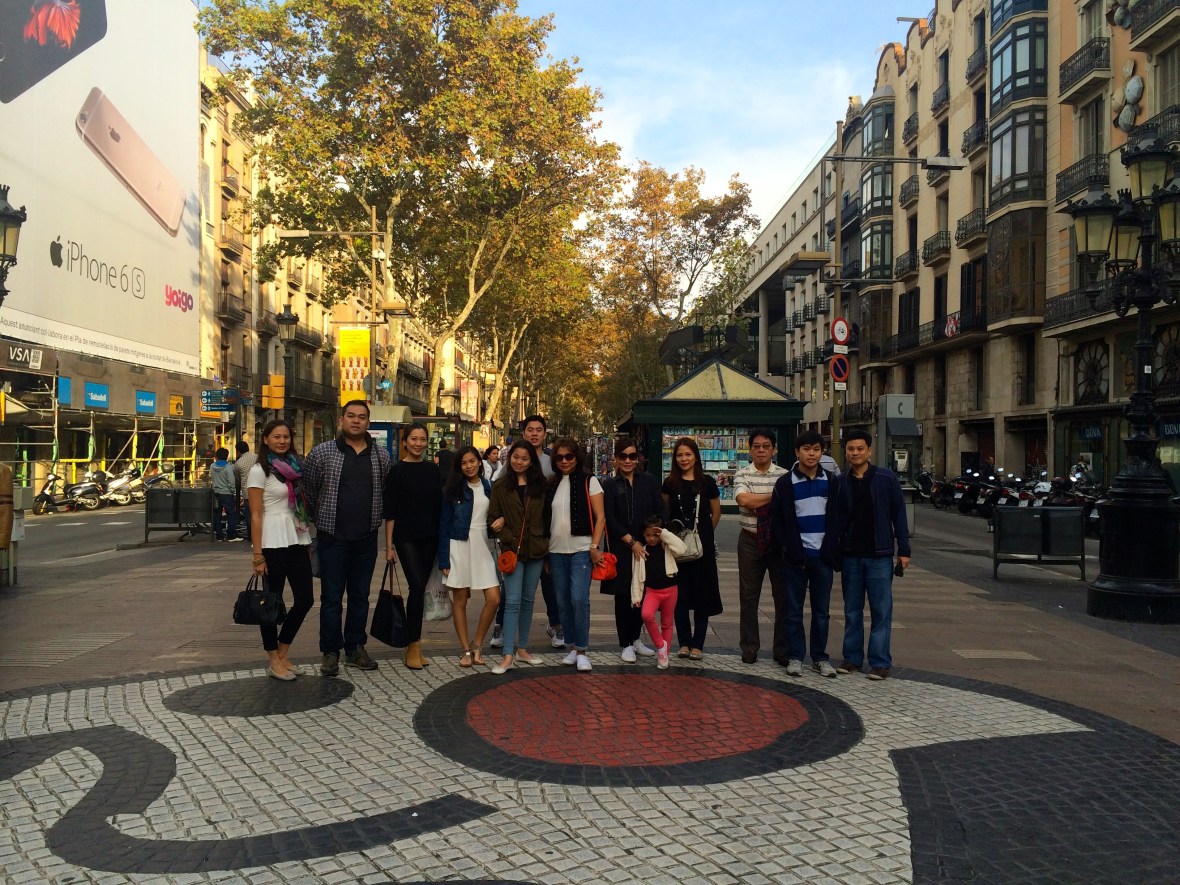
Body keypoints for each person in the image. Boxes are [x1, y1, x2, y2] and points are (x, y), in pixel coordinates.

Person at [302, 400, 392, 677]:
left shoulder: (381, 456)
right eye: (351, 416)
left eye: (361, 417)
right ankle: (330, 651)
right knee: (331, 598)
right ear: (341, 420)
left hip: (366, 539)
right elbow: (309, 491)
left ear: (368, 422)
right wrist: (321, 519)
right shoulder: (322, 453)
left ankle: (355, 648)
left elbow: (385, 491)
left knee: (360, 597)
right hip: (333, 538)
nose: (356, 420)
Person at [830, 429, 911, 681]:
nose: (855, 453)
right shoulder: (840, 482)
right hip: (851, 555)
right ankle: (852, 658)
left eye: (860, 449)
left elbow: (899, 514)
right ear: (846, 452)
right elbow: (836, 519)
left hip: (880, 556)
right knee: (852, 610)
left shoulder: (886, 479)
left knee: (881, 611)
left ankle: (879, 662)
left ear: (869, 451)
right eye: (851, 449)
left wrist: (904, 550)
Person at [770, 429, 840, 678]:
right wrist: (788, 548)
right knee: (793, 610)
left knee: (822, 611)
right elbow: (777, 520)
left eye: (816, 449)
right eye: (807, 449)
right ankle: (796, 657)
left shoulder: (831, 481)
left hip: (823, 557)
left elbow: (838, 517)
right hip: (796, 558)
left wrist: (831, 549)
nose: (812, 454)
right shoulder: (785, 483)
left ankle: (820, 658)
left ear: (822, 452)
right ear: (797, 452)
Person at [247, 419, 313, 681]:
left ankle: (283, 652)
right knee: (271, 603)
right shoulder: (259, 471)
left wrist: (306, 540)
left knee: (305, 599)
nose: (282, 441)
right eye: (276, 436)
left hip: (296, 537)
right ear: (265, 439)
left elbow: (298, 506)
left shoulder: (295, 467)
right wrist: (258, 554)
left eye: (286, 436)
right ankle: (273, 659)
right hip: (272, 540)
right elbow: (255, 514)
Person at [544, 436, 605, 672]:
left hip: (581, 549)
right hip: (555, 551)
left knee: (579, 599)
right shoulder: (551, 484)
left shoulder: (590, 481)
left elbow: (600, 517)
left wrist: (594, 546)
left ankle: (581, 650)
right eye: (559, 457)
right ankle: (570, 646)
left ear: (576, 457)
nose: (564, 461)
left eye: (569, 456)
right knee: (562, 601)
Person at [383, 422, 442, 670]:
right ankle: (413, 644)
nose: (418, 444)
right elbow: (390, 512)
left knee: (419, 589)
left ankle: (414, 644)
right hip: (405, 537)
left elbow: (440, 506)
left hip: (430, 536)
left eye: (422, 439)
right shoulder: (396, 471)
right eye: (414, 439)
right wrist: (389, 546)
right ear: (405, 442)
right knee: (416, 585)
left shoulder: (433, 470)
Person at [601, 436, 664, 663]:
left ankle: (636, 638)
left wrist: (653, 534)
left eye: (632, 456)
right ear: (616, 459)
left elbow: (660, 509)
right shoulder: (610, 485)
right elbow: (609, 518)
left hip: (646, 547)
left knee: (643, 593)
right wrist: (630, 541)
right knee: (623, 595)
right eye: (623, 456)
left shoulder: (649, 481)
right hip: (622, 547)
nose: (627, 460)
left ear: (638, 458)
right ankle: (625, 643)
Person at [487, 440, 548, 674]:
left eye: (524, 458)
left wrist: (545, 542)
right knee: (512, 601)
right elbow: (492, 518)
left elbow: (547, 517)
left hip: (536, 549)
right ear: (509, 457)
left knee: (528, 600)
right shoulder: (501, 486)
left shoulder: (540, 485)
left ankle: (522, 649)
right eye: (515, 457)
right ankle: (507, 655)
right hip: (512, 551)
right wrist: (508, 535)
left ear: (531, 461)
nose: (519, 462)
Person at [439, 446, 501, 667]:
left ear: (479, 462)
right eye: (464, 463)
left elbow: (497, 513)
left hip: (483, 547)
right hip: (459, 546)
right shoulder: (452, 490)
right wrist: (444, 559)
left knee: (494, 598)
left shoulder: (488, 487)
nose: (469, 466)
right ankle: (465, 650)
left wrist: (501, 520)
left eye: (472, 461)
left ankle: (477, 644)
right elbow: (444, 525)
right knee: (460, 600)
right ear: (459, 466)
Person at [662, 437, 722, 660]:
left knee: (702, 596)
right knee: (680, 596)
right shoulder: (669, 483)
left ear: (696, 456)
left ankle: (698, 644)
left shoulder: (707, 482)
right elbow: (665, 512)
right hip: (677, 548)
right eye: (679, 455)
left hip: (702, 549)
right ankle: (684, 643)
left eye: (688, 454)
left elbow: (716, 513)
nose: (684, 459)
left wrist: (700, 535)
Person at [733, 428, 788, 665]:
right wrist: (776, 497)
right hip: (750, 540)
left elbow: (787, 506)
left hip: (778, 542)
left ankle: (782, 649)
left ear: (774, 449)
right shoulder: (742, 474)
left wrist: (761, 500)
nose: (761, 450)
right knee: (748, 596)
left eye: (766, 446)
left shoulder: (785, 475)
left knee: (783, 597)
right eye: (756, 446)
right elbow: (744, 500)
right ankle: (749, 647)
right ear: (750, 450)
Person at [521, 414, 564, 648]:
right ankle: (501, 625)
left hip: (547, 532)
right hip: (519, 533)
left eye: (538, 430)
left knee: (550, 581)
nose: (534, 434)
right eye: (530, 429)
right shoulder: (514, 460)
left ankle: (556, 624)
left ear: (545, 434)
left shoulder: (552, 463)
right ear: (524, 433)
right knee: (512, 585)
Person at [630, 515, 688, 670]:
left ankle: (664, 655)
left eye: (655, 535)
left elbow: (682, 549)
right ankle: (660, 645)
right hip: (652, 592)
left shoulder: (666, 546)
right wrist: (636, 596)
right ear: (643, 534)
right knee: (646, 615)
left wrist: (665, 534)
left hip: (671, 590)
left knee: (667, 623)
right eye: (648, 535)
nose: (651, 538)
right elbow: (636, 577)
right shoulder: (642, 551)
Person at [211, 448, 241, 542]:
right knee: (231, 514)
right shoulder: (229, 467)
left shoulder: (212, 466)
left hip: (216, 493)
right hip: (227, 493)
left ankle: (219, 536)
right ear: (226, 456)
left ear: (217, 456)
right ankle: (231, 535)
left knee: (217, 514)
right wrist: (232, 491)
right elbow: (231, 481)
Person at [235, 440, 257, 542]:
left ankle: (251, 536)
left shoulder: (238, 463)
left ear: (238, 451)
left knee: (249, 515)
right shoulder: (257, 457)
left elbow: (237, 478)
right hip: (261, 490)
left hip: (247, 492)